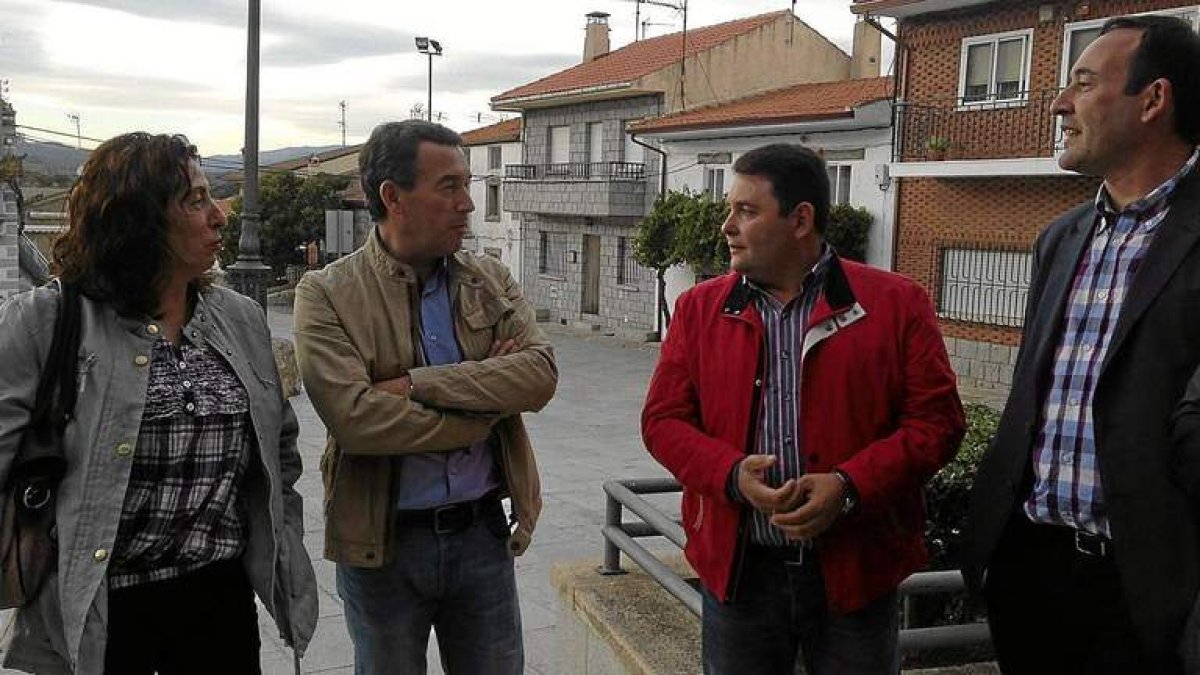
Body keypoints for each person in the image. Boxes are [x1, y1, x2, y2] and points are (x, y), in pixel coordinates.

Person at [0, 132, 318, 674]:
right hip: (101, 609)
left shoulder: (238, 318)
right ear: (137, 220)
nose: (220, 215)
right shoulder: (44, 320)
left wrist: (281, 540)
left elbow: (279, 451)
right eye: (195, 201)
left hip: (218, 602)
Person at [641, 143, 964, 674]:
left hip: (855, 575)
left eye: (746, 211)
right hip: (741, 576)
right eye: (731, 209)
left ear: (800, 219)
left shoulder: (896, 304)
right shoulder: (700, 309)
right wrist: (730, 474)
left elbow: (939, 424)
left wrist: (848, 485)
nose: (727, 226)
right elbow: (663, 422)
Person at [963, 15, 1200, 674]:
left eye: (1083, 82)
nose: (1059, 104)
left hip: (1146, 590)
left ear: (1153, 101)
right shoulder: (1061, 237)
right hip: (1031, 573)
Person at [293, 119, 557, 675]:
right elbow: (356, 420)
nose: (467, 203)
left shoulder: (489, 278)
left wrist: (417, 384)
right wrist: (483, 403)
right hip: (383, 544)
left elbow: (538, 374)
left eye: (467, 185)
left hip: (483, 535)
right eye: (449, 187)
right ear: (394, 197)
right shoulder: (327, 293)